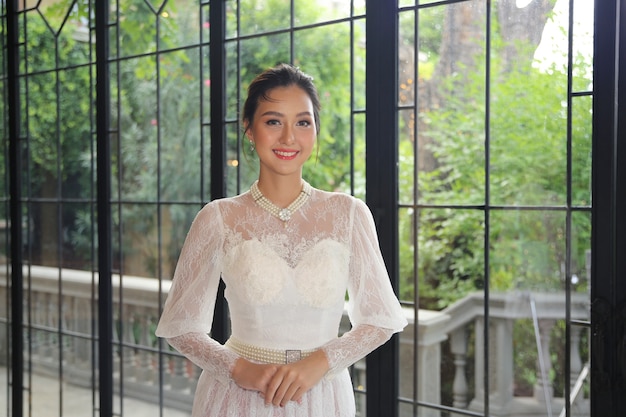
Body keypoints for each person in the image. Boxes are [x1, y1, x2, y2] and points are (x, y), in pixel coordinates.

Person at [155, 63, 407, 417]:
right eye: (273, 121)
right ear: (250, 130)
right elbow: (181, 325)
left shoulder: (348, 214)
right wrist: (238, 368)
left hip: (322, 397)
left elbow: (380, 318)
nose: (289, 137)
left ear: (315, 130)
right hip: (236, 398)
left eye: (302, 122)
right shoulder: (218, 218)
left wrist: (321, 361)